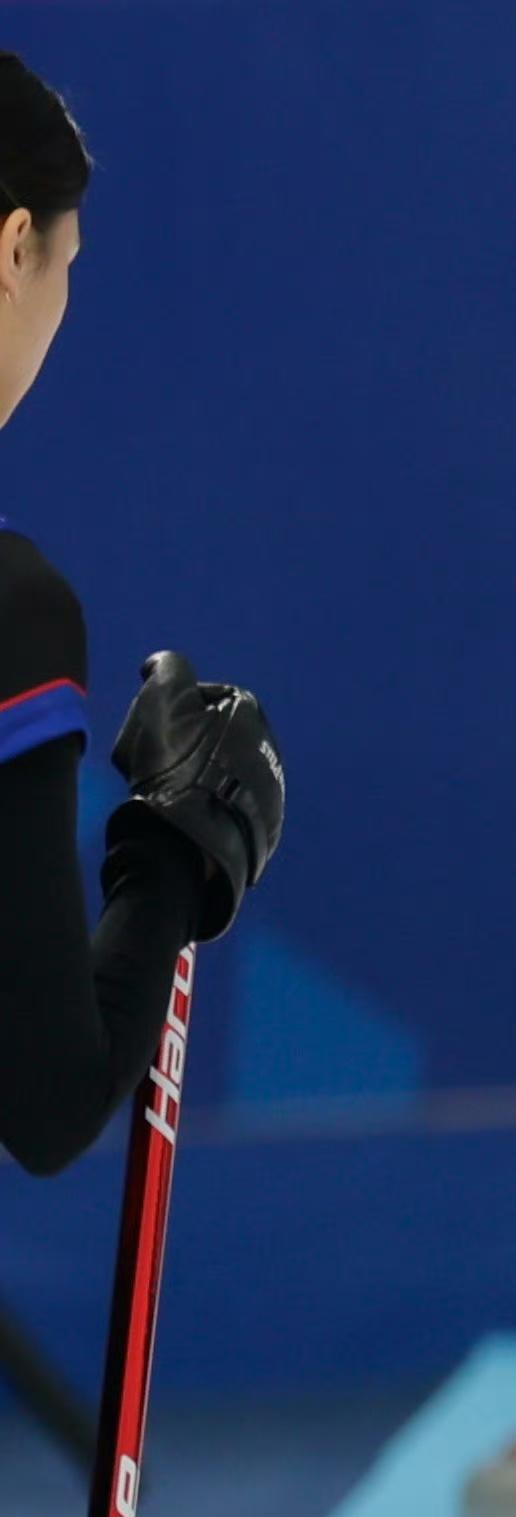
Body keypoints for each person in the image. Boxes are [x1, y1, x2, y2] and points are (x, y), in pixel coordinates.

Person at [0, 53, 279, 1175]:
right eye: (69, 264)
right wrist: (177, 845)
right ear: (13, 250)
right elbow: (50, 1096)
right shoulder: (13, 615)